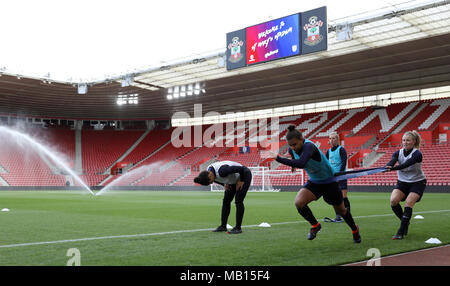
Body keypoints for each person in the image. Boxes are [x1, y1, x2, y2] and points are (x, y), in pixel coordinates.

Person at [273, 125, 361, 243]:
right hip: (315, 182)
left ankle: (355, 230)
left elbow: (302, 162)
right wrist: (293, 165)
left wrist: (278, 158)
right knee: (299, 202)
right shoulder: (292, 150)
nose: (293, 148)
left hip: (329, 182)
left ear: (301, 139)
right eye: (290, 145)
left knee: (342, 211)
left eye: (295, 144)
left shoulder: (309, 146)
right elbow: (295, 158)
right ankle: (315, 226)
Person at [385, 131, 426, 240]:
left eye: (408, 140)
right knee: (393, 201)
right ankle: (405, 222)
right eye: (404, 140)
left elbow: (406, 164)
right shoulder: (398, 153)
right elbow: (392, 161)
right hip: (402, 183)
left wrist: (392, 169)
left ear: (414, 142)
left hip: (417, 183)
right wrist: (388, 166)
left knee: (409, 203)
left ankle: (401, 231)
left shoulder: (417, 154)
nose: (405, 142)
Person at [194, 160, 252, 234]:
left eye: (210, 181)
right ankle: (223, 226)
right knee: (226, 201)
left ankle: (238, 228)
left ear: (210, 175)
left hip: (244, 175)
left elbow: (242, 169)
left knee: (238, 201)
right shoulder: (210, 172)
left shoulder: (223, 171)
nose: (212, 183)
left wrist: (241, 180)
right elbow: (216, 180)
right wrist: (224, 184)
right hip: (232, 181)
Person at [324, 132, 350, 223]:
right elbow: (326, 164)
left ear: (337, 139)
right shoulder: (328, 151)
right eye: (330, 138)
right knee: (334, 198)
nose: (332, 140)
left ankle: (348, 215)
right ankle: (338, 216)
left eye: (334, 138)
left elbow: (343, 163)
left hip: (341, 176)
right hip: (332, 178)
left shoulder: (341, 149)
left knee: (343, 197)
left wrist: (340, 173)